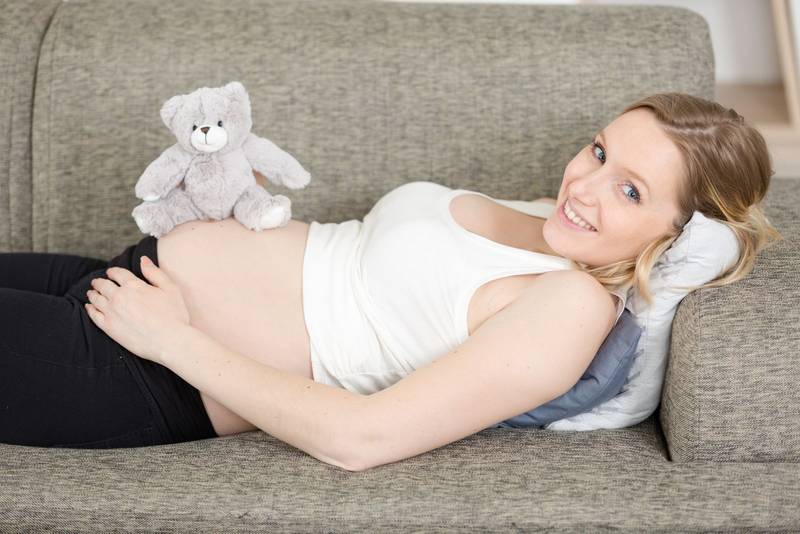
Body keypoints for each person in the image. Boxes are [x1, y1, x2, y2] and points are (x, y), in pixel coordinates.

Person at [0, 92, 782, 471]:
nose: (585, 185)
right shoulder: (550, 218)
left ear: (681, 232)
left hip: (139, 369)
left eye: (631, 192)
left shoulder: (569, 307)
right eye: (600, 152)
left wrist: (172, 341)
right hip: (121, 280)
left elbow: (361, 438)